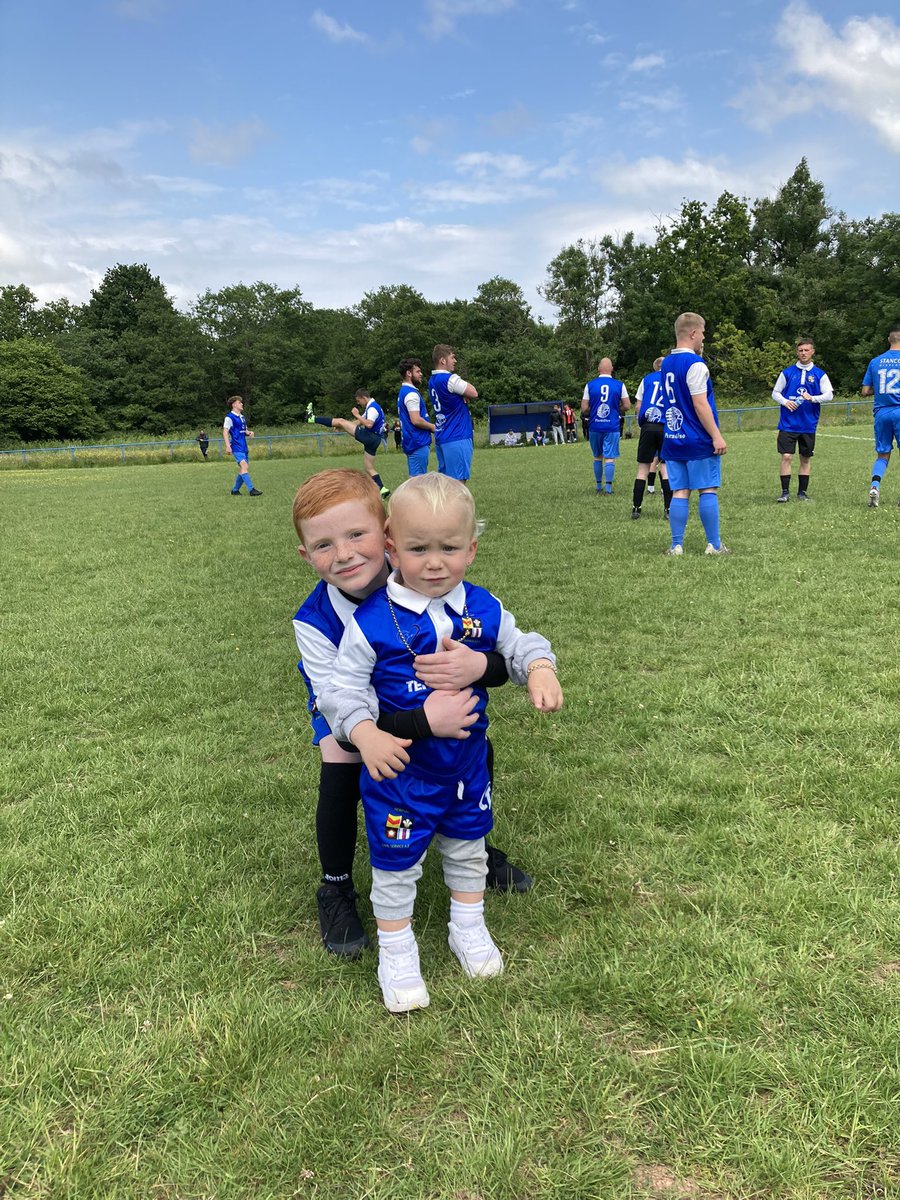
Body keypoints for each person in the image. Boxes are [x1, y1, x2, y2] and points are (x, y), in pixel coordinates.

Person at [317, 473, 563, 1013]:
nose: (434, 562)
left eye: (449, 548)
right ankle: (398, 951)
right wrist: (365, 734)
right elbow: (340, 690)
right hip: (401, 774)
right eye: (417, 548)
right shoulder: (371, 621)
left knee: (469, 850)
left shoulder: (482, 607)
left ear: (471, 549)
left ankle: (468, 928)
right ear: (391, 547)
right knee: (395, 865)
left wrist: (540, 669)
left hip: (466, 769)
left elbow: (520, 644)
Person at [661, 312, 728, 556]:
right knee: (707, 488)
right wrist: (716, 435)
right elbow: (700, 404)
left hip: (673, 437)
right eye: (702, 333)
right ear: (692, 333)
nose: (703, 337)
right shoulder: (696, 364)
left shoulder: (666, 363)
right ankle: (715, 545)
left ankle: (676, 545)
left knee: (680, 491)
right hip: (697, 438)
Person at [773, 338, 833, 502]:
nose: (803, 353)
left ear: (812, 351)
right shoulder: (787, 373)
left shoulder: (819, 374)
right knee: (786, 456)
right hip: (788, 424)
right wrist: (786, 402)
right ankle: (785, 493)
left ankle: (802, 493)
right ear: (797, 352)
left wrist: (812, 398)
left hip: (808, 425)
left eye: (807, 350)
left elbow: (829, 395)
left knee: (805, 459)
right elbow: (775, 393)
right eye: (801, 350)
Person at [314, 389, 391, 498]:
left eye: (359, 401)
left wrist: (356, 414)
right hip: (374, 440)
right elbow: (359, 422)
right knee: (368, 467)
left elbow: (368, 424)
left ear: (363, 398)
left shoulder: (373, 408)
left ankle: (312, 418)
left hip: (370, 437)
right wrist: (343, 427)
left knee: (340, 420)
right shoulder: (372, 406)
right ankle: (382, 489)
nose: (359, 404)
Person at [861, 325, 900, 507]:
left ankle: (875, 486)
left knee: (882, 455)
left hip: (882, 412)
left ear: (888, 339)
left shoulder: (875, 362)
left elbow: (865, 391)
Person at [581, 357, 630, 494]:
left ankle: (598, 486)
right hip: (612, 425)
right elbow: (627, 405)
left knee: (597, 456)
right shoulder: (619, 385)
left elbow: (584, 408)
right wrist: (615, 409)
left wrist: (595, 410)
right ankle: (608, 488)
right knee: (610, 457)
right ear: (612, 369)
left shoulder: (590, 385)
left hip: (595, 426)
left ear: (598, 369)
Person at [429, 344, 477, 482]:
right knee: (458, 484)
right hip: (457, 435)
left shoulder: (432, 381)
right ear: (443, 360)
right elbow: (474, 392)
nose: (455, 361)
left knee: (446, 484)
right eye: (452, 357)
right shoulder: (449, 378)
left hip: (442, 435)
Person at [631, 358, 672, 519]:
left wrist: (640, 422)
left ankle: (636, 508)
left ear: (654, 367)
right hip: (665, 426)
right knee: (666, 469)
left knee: (643, 469)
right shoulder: (671, 379)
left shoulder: (646, 379)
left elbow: (638, 406)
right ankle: (668, 510)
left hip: (648, 426)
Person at [397, 357, 436, 477]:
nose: (421, 374)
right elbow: (416, 420)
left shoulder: (404, 391)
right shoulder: (411, 394)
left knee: (415, 480)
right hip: (417, 442)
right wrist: (433, 427)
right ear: (409, 373)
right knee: (418, 482)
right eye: (418, 371)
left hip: (412, 441)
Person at [223, 397, 262, 496]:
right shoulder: (229, 417)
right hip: (236, 447)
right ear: (234, 405)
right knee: (244, 466)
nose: (242, 404)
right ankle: (251, 490)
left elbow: (244, 431)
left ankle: (235, 490)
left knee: (243, 469)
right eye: (239, 402)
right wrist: (228, 446)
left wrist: (249, 433)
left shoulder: (242, 417)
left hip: (244, 447)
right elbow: (225, 431)